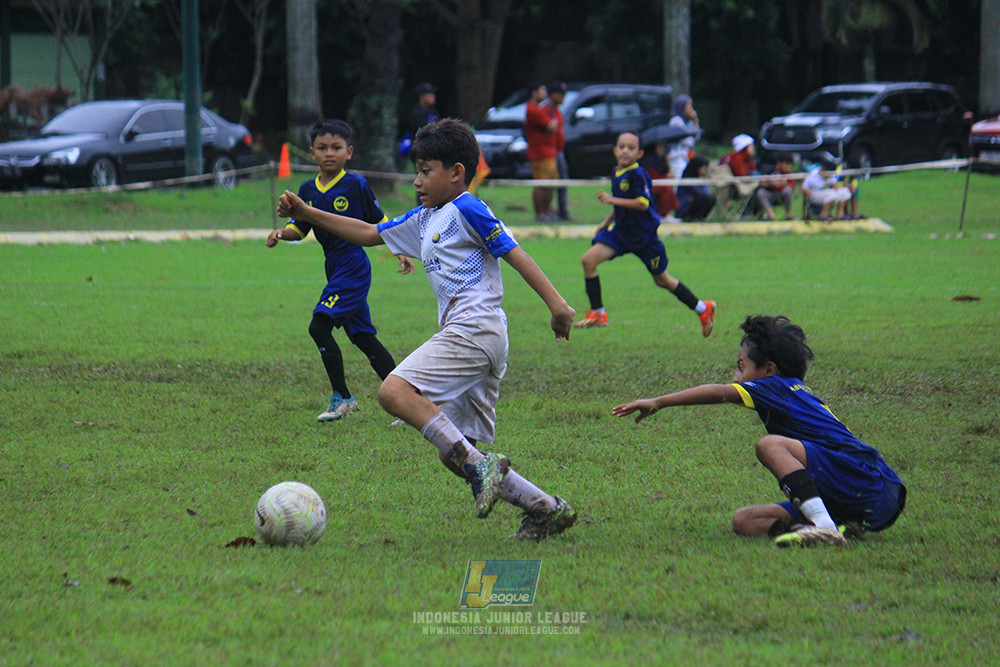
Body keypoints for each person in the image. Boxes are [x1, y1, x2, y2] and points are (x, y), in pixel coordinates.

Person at [277, 118, 578, 541]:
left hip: (475, 329)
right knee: (454, 454)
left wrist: (557, 305)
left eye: (425, 171)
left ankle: (482, 468)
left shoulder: (468, 208)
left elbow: (514, 253)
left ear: (456, 172)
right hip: (480, 337)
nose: (417, 181)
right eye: (416, 171)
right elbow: (368, 233)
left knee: (393, 392)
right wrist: (307, 213)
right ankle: (545, 509)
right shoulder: (424, 217)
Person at [612, 314, 906, 548]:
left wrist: (659, 402)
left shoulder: (775, 387)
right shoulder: (795, 391)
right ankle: (827, 526)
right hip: (860, 493)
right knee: (745, 521)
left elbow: (720, 392)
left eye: (741, 368)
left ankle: (824, 527)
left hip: (865, 479)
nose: (736, 377)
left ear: (769, 370)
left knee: (770, 445)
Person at [266, 119, 413, 422]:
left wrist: (398, 249)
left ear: (349, 152)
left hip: (353, 264)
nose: (329, 153)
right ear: (312, 153)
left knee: (318, 327)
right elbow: (299, 229)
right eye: (322, 148)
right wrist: (282, 233)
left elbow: (379, 221)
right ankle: (408, 401)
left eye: (336, 147)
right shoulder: (307, 189)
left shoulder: (355, 184)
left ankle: (343, 397)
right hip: (333, 265)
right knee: (363, 338)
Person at [573, 131, 716, 337]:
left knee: (663, 280)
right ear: (615, 150)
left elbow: (642, 203)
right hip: (621, 234)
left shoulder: (639, 174)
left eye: (630, 148)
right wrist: (606, 222)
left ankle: (703, 308)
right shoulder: (617, 173)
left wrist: (611, 200)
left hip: (644, 238)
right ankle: (598, 314)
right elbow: (621, 202)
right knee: (588, 260)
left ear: (639, 154)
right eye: (621, 147)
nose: (625, 151)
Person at [524, 81, 559, 221]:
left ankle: (547, 212)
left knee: (550, 184)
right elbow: (551, 126)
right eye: (542, 91)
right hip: (540, 153)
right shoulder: (533, 109)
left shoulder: (539, 109)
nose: (545, 94)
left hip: (548, 152)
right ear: (534, 93)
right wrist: (552, 125)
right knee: (541, 184)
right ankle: (540, 214)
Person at [548, 81, 572, 221]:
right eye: (561, 94)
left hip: (558, 151)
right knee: (550, 183)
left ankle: (563, 212)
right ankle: (548, 212)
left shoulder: (557, 110)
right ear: (553, 94)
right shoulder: (547, 110)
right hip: (551, 152)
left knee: (563, 181)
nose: (563, 97)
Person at [639, 140, 680, 222]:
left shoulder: (661, 159)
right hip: (648, 185)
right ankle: (662, 214)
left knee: (668, 187)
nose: (662, 150)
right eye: (660, 148)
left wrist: (668, 163)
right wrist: (666, 177)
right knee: (666, 189)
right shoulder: (647, 161)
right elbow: (652, 177)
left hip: (660, 183)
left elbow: (666, 173)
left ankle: (666, 213)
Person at [400, 82, 438, 160]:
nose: (433, 97)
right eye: (430, 94)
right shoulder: (417, 113)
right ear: (422, 97)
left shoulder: (432, 112)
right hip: (420, 150)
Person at [755, 152, 796, 221]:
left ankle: (788, 215)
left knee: (788, 190)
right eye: (787, 164)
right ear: (781, 163)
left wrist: (785, 184)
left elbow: (792, 186)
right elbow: (761, 184)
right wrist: (769, 183)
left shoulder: (789, 173)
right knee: (760, 193)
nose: (789, 167)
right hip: (770, 193)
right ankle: (771, 216)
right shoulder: (770, 170)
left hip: (781, 194)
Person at [675, 155, 717, 222]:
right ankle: (690, 217)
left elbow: (705, 192)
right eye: (704, 169)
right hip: (685, 206)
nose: (706, 171)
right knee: (705, 198)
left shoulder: (699, 178)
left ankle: (700, 217)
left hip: (694, 200)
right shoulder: (688, 179)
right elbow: (699, 193)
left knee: (712, 198)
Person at [668, 94, 700, 179]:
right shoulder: (676, 120)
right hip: (678, 156)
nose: (691, 108)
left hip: (687, 155)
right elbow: (687, 140)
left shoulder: (689, 121)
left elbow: (697, 137)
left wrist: (695, 121)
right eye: (689, 105)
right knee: (680, 177)